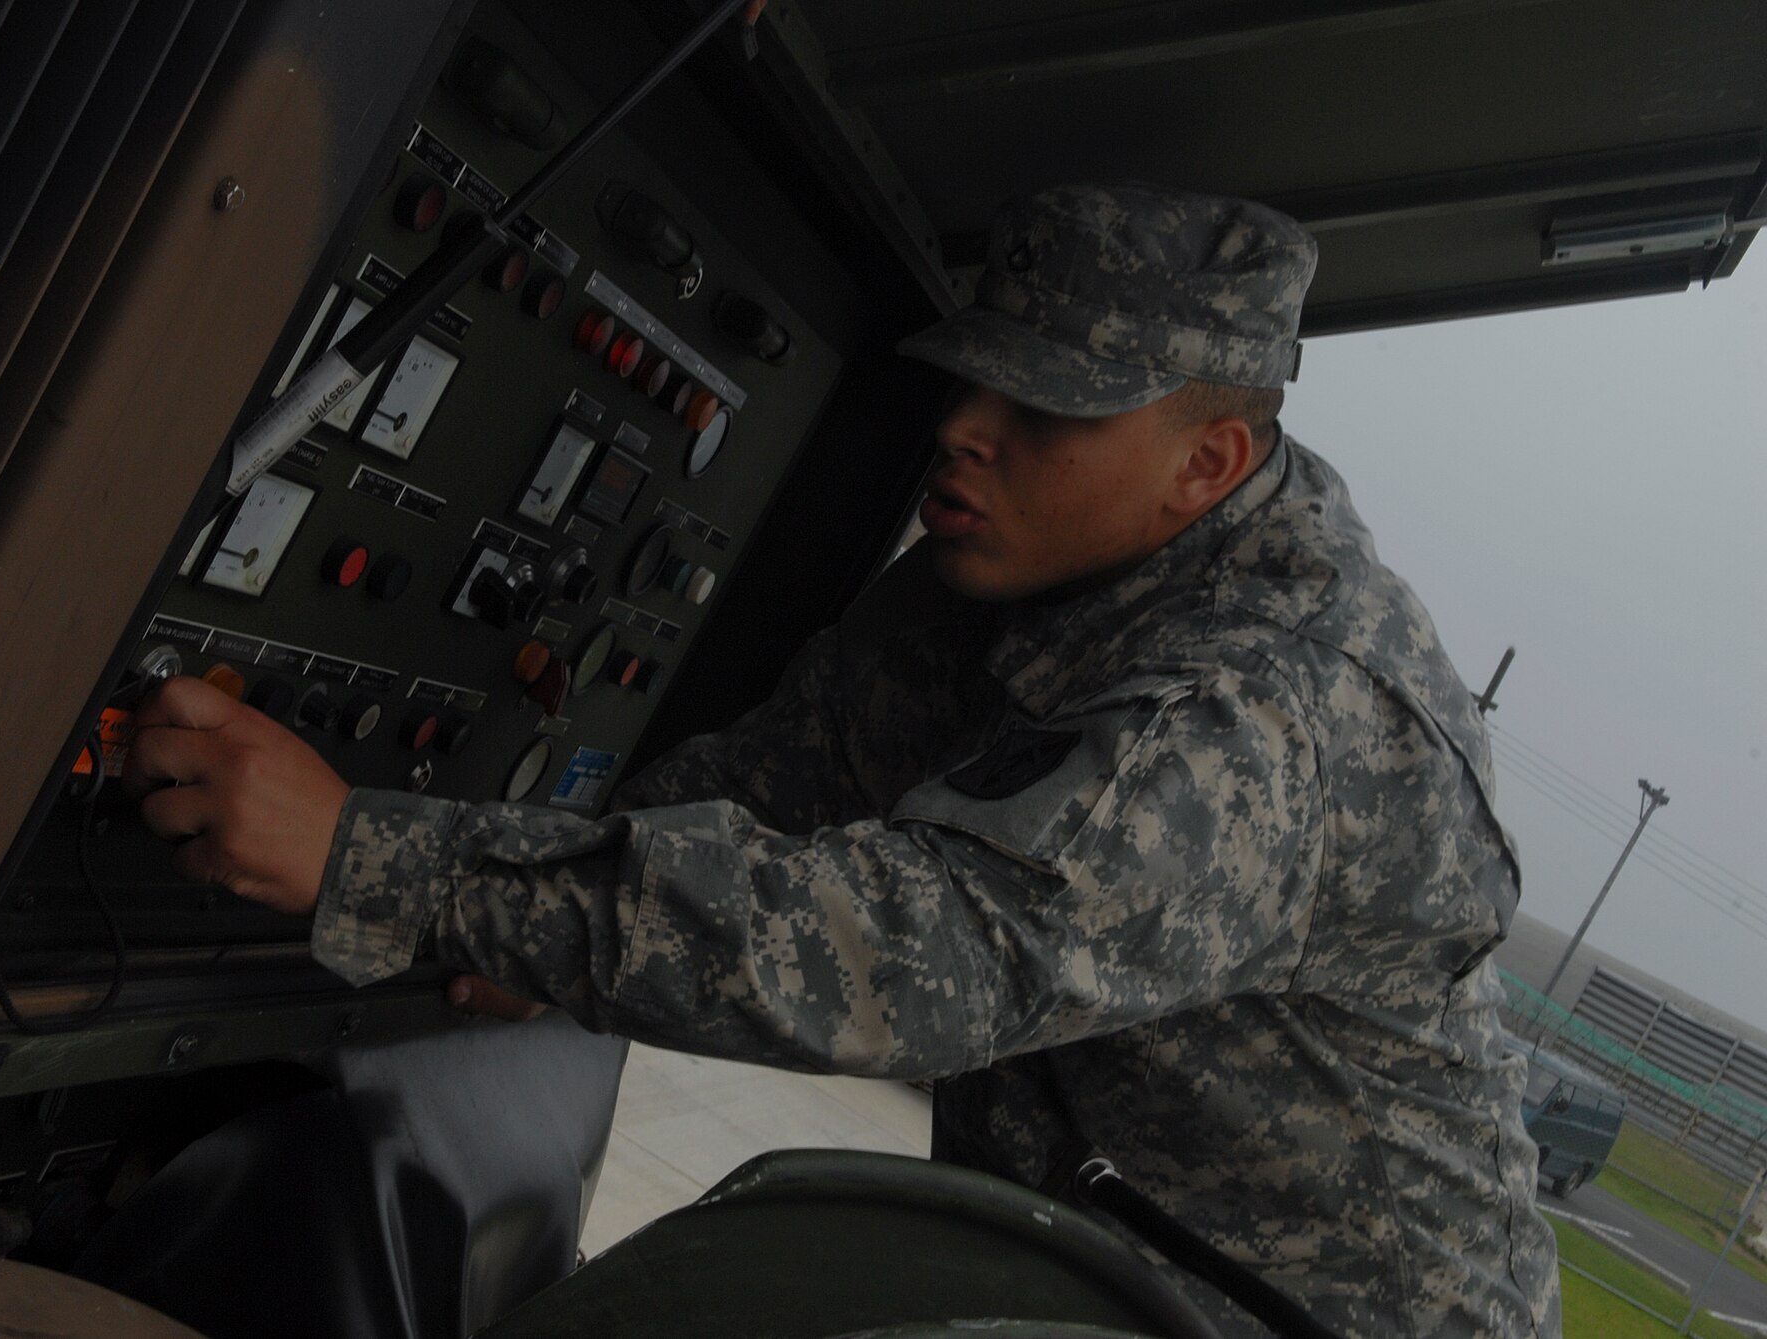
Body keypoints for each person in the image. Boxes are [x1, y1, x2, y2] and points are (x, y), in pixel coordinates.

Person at [124, 183, 1562, 1338]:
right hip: (1080, 1267)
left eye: (1046, 409)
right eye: (971, 382)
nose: (964, 433)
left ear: (1208, 462)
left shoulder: (1280, 714)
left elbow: (915, 953)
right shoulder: (997, 576)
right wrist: (532, 915)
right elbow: (772, 783)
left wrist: (384, 861)